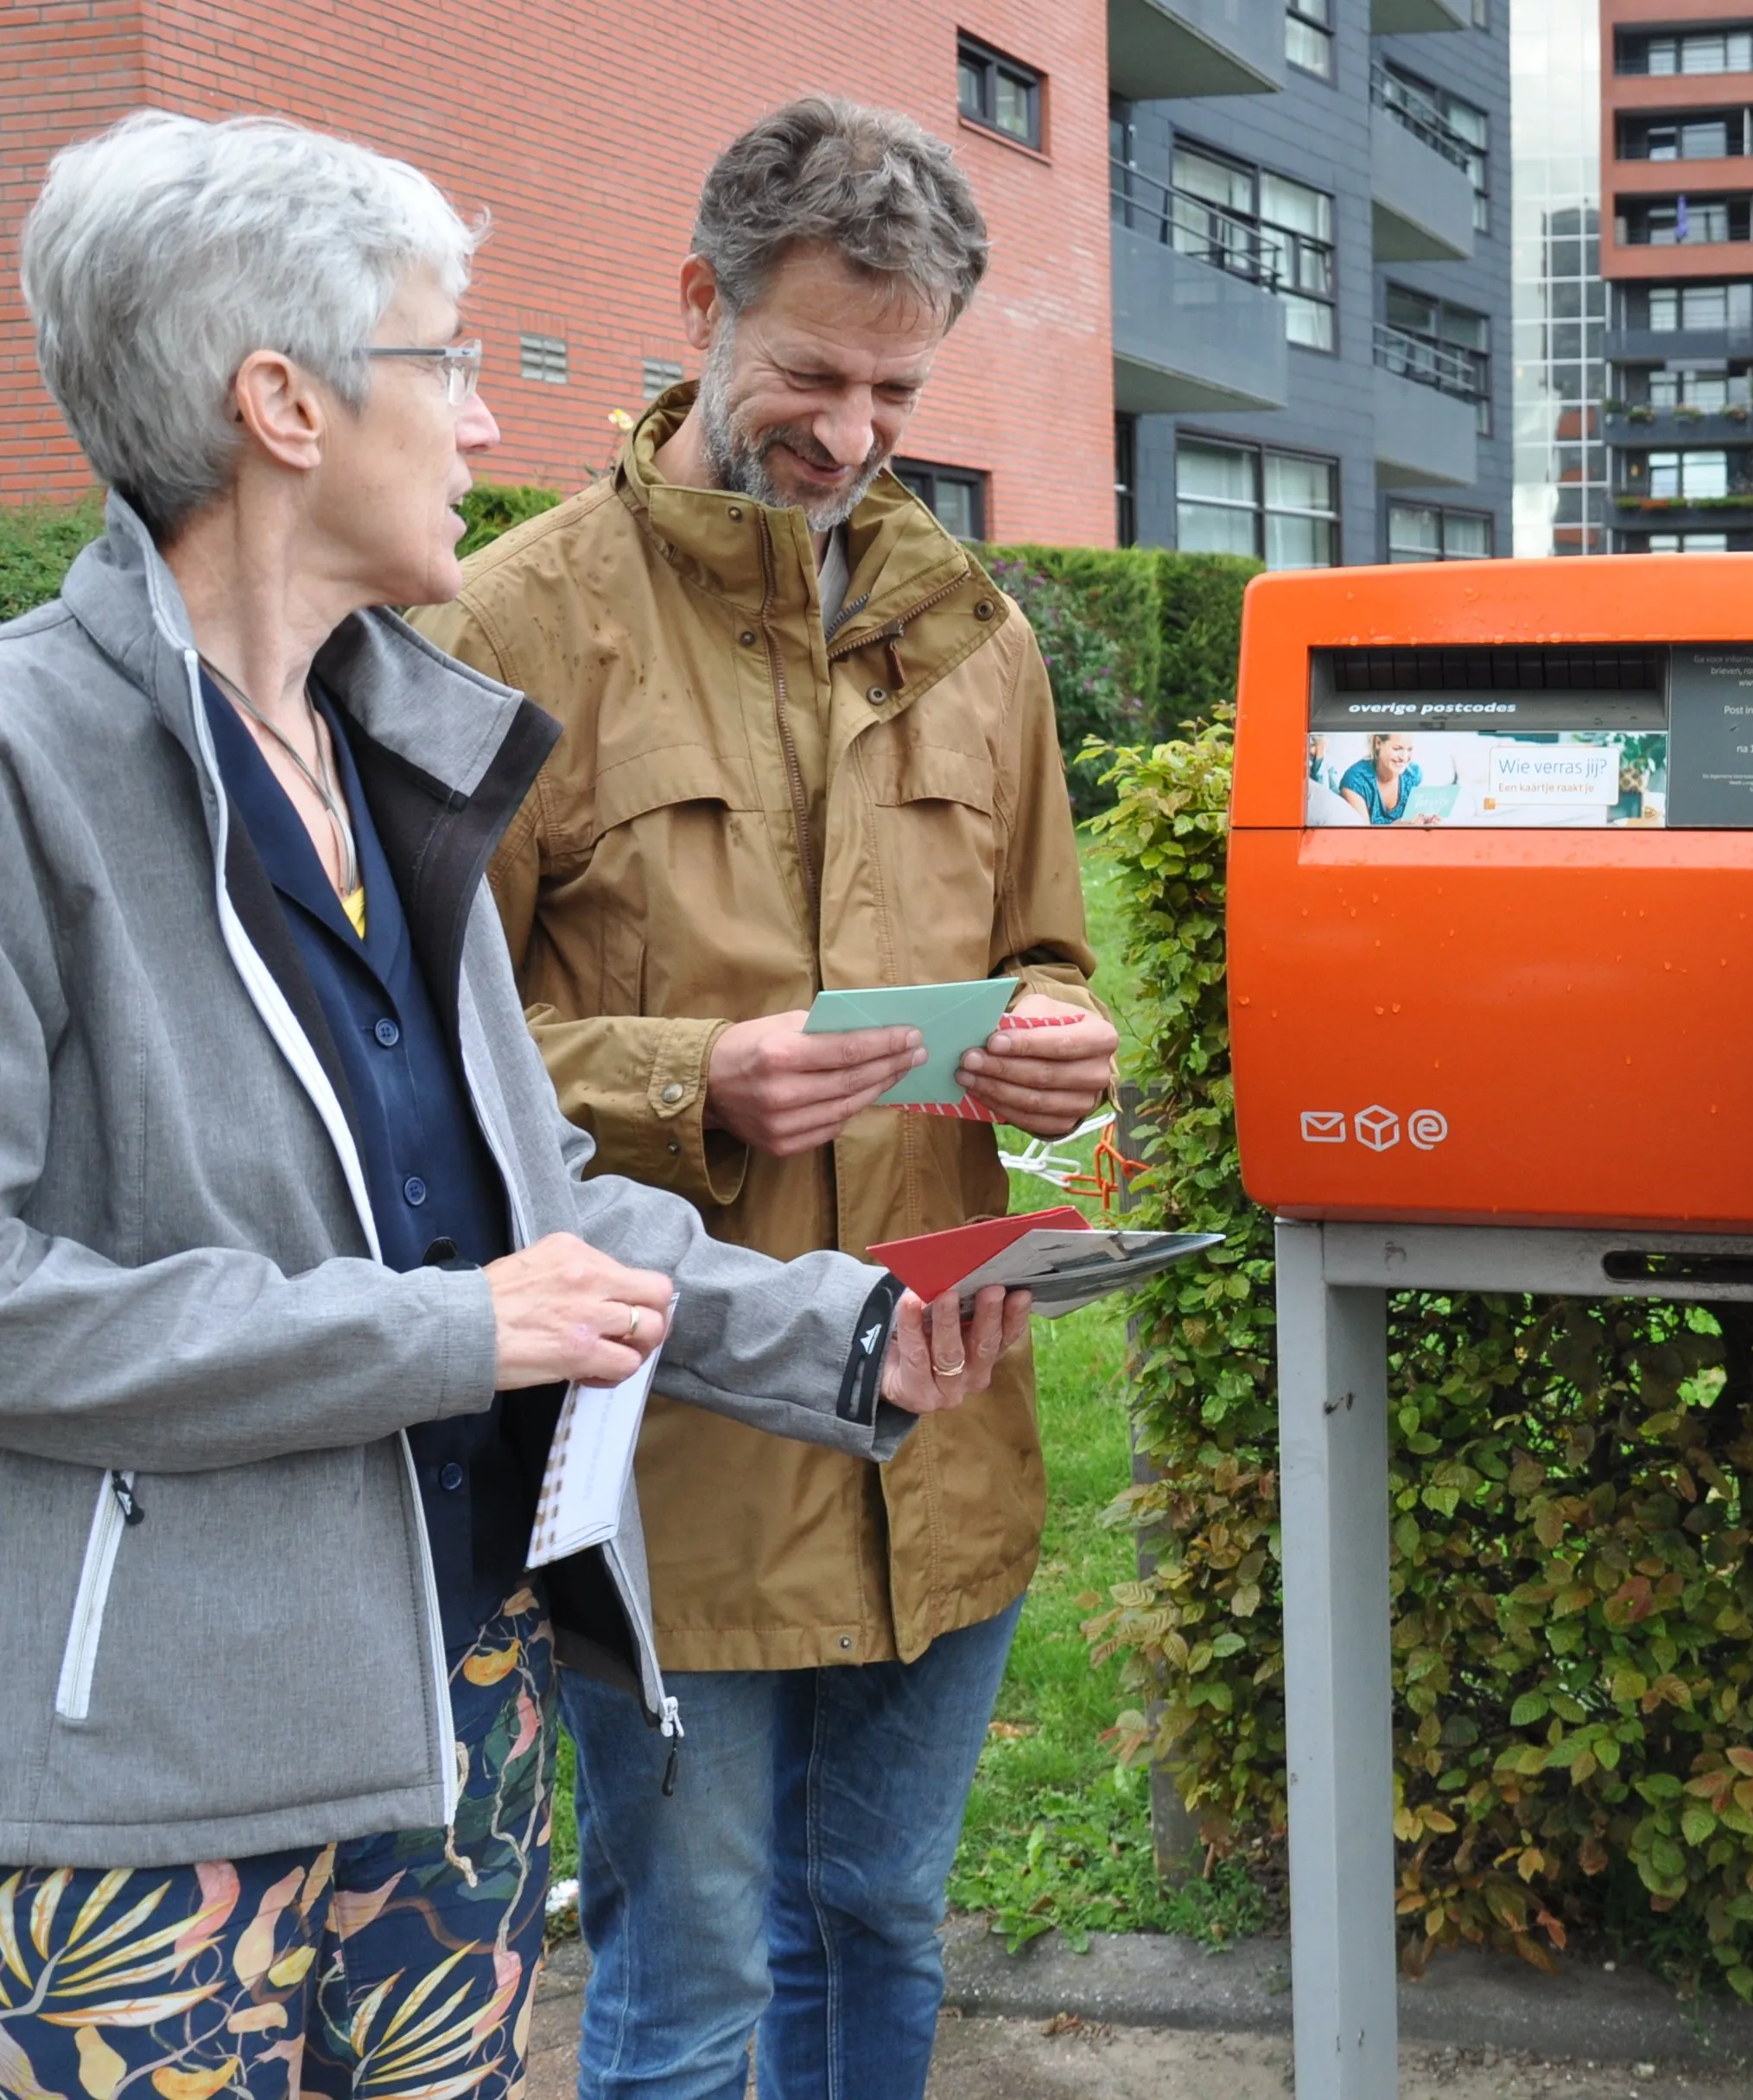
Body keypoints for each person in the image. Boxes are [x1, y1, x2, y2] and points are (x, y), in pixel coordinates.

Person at [0, 111, 1018, 2096]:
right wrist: (444, 1334)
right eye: (445, 360)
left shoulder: (401, 758)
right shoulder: (26, 766)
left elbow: (531, 1214)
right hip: (161, 1789)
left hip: (466, 1728)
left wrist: (851, 1330)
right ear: (283, 404)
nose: (484, 424)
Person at [412, 100, 1115, 2099]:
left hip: (945, 1436)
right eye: (812, 373)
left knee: (888, 1918)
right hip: (666, 1460)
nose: (856, 431)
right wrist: (691, 1083)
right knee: (697, 1965)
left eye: (901, 387)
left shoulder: (978, 637)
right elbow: (398, 1083)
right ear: (700, 300)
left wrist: (1067, 1076)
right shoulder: (508, 630)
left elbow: (1054, 978)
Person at [1337, 730, 1427, 824]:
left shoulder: (1413, 774)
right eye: (1397, 749)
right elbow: (1362, 836)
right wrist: (1397, 827)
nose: (1404, 758)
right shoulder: (1355, 781)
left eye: (1409, 749)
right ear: (1378, 743)